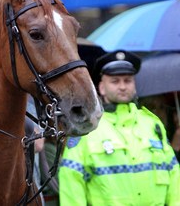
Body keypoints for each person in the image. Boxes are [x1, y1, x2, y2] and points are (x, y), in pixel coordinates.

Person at [58, 50, 180, 205]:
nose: (122, 86)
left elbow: (174, 175)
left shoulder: (152, 124)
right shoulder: (87, 128)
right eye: (115, 81)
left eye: (127, 80)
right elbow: (71, 182)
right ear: (101, 88)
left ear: (134, 85)